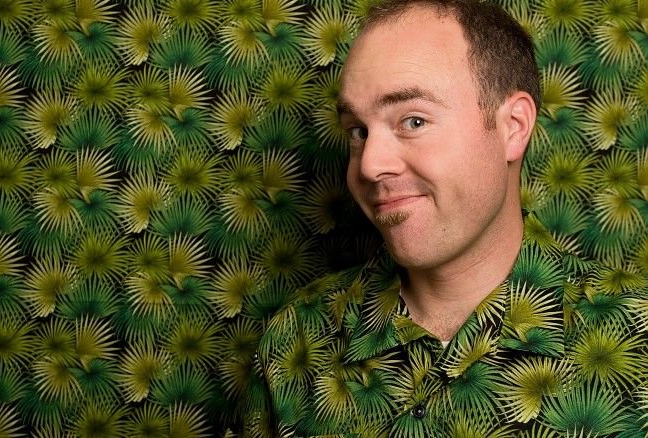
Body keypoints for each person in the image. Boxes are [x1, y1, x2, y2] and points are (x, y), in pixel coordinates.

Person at [243, 0, 648, 435]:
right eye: (358, 131)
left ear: (513, 127)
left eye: (413, 121)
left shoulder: (635, 339)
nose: (369, 166)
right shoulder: (296, 339)